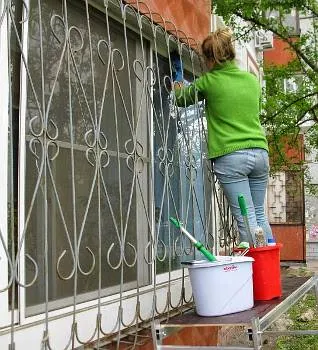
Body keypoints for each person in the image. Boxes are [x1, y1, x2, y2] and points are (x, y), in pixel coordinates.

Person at [171, 28, 274, 244]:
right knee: (259, 215)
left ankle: (253, 276)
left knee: (246, 220)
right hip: (260, 153)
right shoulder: (251, 81)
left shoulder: (211, 81)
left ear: (211, 59)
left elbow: (180, 99)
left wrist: (178, 76)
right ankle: (269, 271)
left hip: (232, 157)